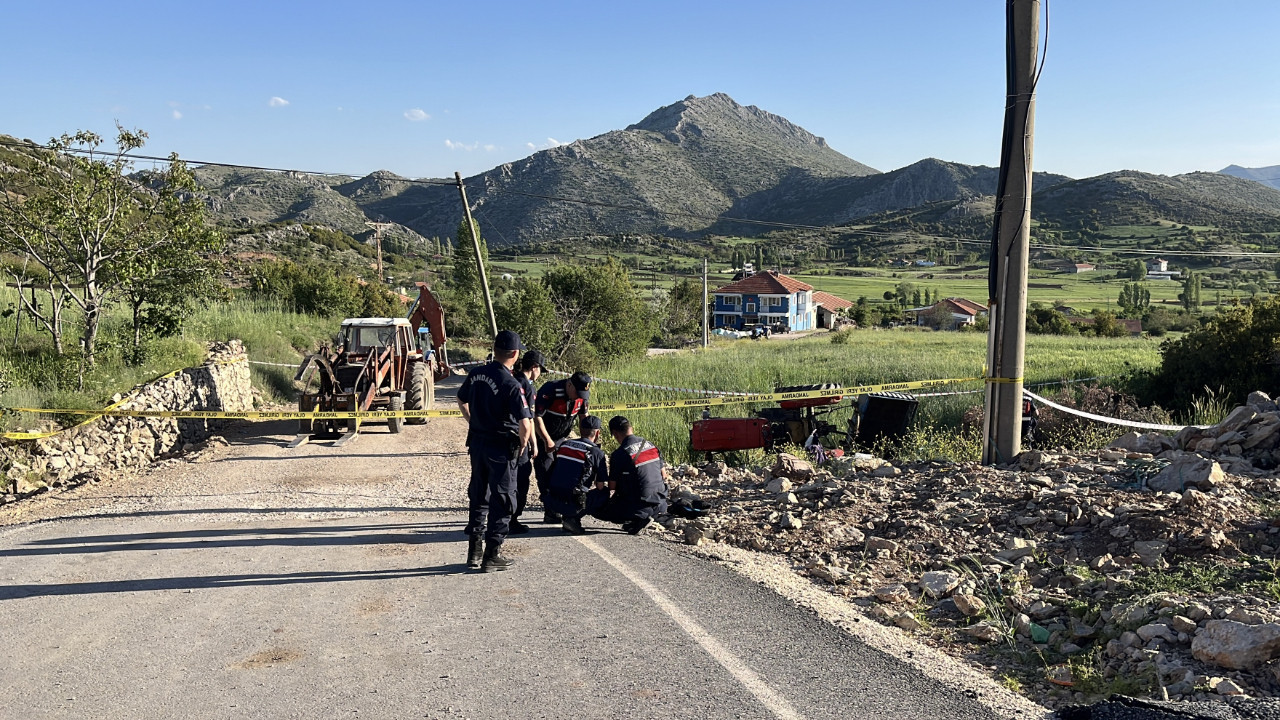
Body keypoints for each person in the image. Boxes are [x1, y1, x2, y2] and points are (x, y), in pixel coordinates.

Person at [456, 330, 534, 572]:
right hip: (501, 447)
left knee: (479, 495)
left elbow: (461, 399)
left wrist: (473, 421)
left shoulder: (476, 373)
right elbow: (525, 423)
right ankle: (492, 554)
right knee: (503, 499)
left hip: (477, 443)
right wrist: (523, 445)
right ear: (515, 354)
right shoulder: (511, 383)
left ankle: (474, 552)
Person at [591, 416, 669, 534]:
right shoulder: (651, 445)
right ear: (630, 428)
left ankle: (637, 518)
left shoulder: (619, 454)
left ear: (615, 433)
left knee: (595, 504)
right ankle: (640, 519)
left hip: (639, 506)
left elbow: (612, 486)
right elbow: (664, 475)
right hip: (660, 502)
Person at [533, 371, 591, 523]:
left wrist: (586, 442)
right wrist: (546, 440)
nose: (578, 397)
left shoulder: (581, 396)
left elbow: (584, 419)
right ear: (569, 385)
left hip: (562, 438)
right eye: (577, 393)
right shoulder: (550, 390)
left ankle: (561, 505)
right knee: (545, 471)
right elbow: (537, 417)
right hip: (543, 436)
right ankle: (550, 510)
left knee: (561, 473)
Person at [544, 416, 609, 536]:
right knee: (603, 493)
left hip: (552, 499)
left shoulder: (564, 444)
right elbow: (599, 485)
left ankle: (557, 515)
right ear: (597, 433)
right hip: (574, 500)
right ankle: (572, 518)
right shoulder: (596, 452)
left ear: (580, 429)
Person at [509, 350, 547, 534]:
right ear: (534, 367)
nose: (539, 374)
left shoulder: (512, 380)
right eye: (540, 370)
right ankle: (513, 519)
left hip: (507, 436)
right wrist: (534, 443)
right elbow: (529, 419)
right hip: (520, 439)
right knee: (521, 480)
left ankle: (504, 517)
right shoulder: (527, 387)